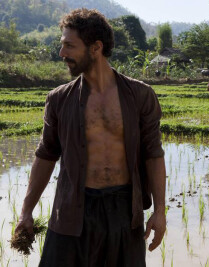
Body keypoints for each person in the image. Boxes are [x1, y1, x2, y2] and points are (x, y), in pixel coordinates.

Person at [15, 8, 166, 267]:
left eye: (69, 46)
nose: (62, 54)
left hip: (123, 212)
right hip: (72, 211)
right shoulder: (59, 99)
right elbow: (45, 155)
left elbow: (154, 154)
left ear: (95, 48)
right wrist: (26, 211)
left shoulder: (140, 95)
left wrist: (160, 212)